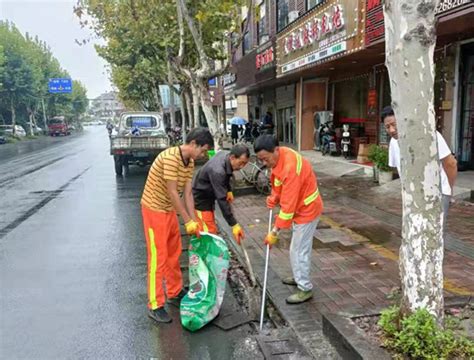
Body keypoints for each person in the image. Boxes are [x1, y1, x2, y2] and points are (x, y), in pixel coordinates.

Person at [141, 127, 214, 324]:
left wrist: (194, 220)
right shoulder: (171, 158)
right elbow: (174, 192)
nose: (203, 154)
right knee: (158, 258)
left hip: (169, 209)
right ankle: (155, 304)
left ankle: (173, 292)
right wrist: (187, 220)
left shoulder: (189, 162)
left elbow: (188, 193)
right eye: (203, 150)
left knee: (174, 252)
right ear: (193, 144)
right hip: (154, 209)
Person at [254, 135, 323, 304]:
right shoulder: (280, 157)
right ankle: (299, 275)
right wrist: (274, 196)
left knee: (298, 250)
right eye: (260, 159)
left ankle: (305, 288)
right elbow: (278, 181)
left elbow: (288, 207)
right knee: (298, 249)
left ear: (275, 150)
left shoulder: (291, 168)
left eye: (265, 159)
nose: (263, 163)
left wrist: (274, 232)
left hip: (307, 210)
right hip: (300, 207)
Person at [382, 106, 457, 225]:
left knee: (434, 234)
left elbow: (451, 163)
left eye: (394, 124)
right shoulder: (394, 142)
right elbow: (401, 170)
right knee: (414, 232)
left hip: (437, 194)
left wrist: (449, 190)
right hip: (412, 195)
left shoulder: (428, 134)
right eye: (387, 127)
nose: (391, 130)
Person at [192, 144, 250, 244]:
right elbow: (222, 200)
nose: (242, 167)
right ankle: (205, 258)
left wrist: (229, 190)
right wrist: (234, 224)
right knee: (208, 234)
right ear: (232, 157)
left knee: (210, 230)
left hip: (209, 195)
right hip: (201, 200)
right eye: (241, 163)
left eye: (245, 164)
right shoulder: (217, 171)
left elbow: (227, 174)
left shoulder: (226, 155)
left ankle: (208, 256)